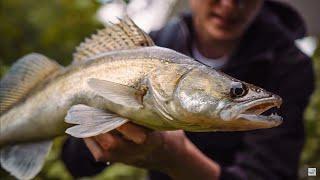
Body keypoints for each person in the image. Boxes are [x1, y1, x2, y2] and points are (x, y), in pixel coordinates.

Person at [61, 0, 315, 179]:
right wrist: (103, 137)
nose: (228, 4)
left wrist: (176, 157)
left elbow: (271, 174)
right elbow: (76, 164)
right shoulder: (149, 46)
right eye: (236, 91)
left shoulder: (290, 65)